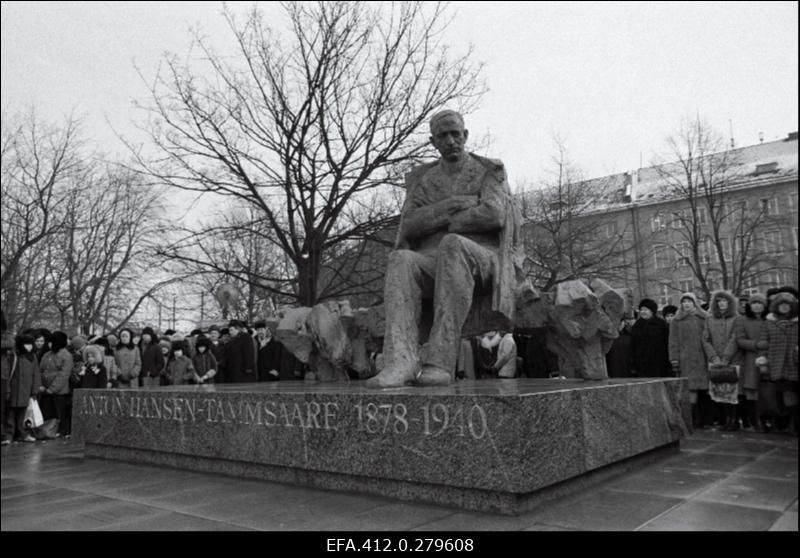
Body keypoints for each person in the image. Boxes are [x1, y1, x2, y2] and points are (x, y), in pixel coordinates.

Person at [366, 109, 523, 388]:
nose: (450, 140)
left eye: (455, 134)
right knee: (401, 259)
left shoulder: (487, 171)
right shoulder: (424, 180)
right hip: (435, 260)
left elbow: (494, 215)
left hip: (483, 258)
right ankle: (401, 360)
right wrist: (451, 206)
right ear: (433, 142)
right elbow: (409, 225)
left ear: (465, 135)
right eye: (442, 136)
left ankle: (440, 361)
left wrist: (445, 225)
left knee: (453, 245)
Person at [669, 293, 710, 428]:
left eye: (689, 301)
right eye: (684, 302)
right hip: (686, 359)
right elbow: (673, 342)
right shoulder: (677, 320)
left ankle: (706, 420)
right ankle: (692, 419)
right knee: (689, 390)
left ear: (694, 302)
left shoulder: (704, 318)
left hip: (704, 358)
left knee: (705, 391)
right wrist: (674, 359)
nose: (686, 304)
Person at [702, 291, 739, 430]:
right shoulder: (709, 319)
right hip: (716, 360)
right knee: (720, 391)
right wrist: (714, 357)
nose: (722, 303)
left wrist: (726, 357)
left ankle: (734, 418)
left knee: (732, 391)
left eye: (725, 300)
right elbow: (705, 339)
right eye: (719, 301)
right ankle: (726, 418)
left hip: (732, 359)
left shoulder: (736, 318)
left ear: (729, 302)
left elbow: (735, 338)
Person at [734, 293, 769, 431]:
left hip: (769, 357)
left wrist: (766, 348)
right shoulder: (742, 320)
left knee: (768, 390)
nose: (756, 306)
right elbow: (740, 340)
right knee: (752, 391)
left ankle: (770, 420)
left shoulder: (769, 320)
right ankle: (756, 421)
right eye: (753, 303)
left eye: (759, 303)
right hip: (750, 359)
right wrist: (757, 345)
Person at [764, 291, 798, 435]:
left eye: (787, 305)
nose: (784, 307)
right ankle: (787, 423)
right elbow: (764, 342)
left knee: (792, 394)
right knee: (782, 395)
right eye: (781, 304)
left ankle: (794, 424)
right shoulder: (770, 323)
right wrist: (763, 360)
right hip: (777, 363)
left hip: (794, 363)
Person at [5, 334, 41, 443]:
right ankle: (8, 435)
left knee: (23, 414)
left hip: (26, 391)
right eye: (27, 344)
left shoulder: (32, 357)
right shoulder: (12, 356)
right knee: (10, 413)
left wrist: (35, 391)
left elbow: (36, 374)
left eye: (31, 344)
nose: (29, 346)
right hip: (13, 390)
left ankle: (23, 434)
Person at [38, 331, 73, 438]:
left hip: (59, 392)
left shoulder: (66, 355)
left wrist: (52, 389)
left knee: (59, 413)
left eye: (51, 342)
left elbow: (64, 375)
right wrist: (41, 385)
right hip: (45, 390)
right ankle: (46, 431)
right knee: (47, 413)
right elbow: (41, 370)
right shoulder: (47, 354)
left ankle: (61, 431)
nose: (49, 344)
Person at [630, 298, 671, 377]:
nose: (643, 312)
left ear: (652, 311)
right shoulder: (637, 326)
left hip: (659, 361)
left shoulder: (661, 324)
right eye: (641, 310)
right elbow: (633, 345)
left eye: (646, 310)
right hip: (641, 363)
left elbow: (667, 342)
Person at [1, 311, 15, 445]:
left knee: (4, 406)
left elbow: (10, 343)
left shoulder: (6, 334)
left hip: (3, 376)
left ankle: (6, 433)